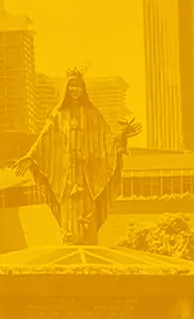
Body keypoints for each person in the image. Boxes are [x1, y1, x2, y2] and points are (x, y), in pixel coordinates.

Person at [11, 70, 142, 244]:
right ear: (67, 88)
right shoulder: (59, 116)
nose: (75, 89)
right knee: (69, 220)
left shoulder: (92, 114)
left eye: (78, 86)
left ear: (83, 89)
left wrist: (122, 136)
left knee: (86, 219)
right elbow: (45, 139)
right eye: (72, 86)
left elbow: (106, 139)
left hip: (86, 177)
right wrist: (30, 157)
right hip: (66, 178)